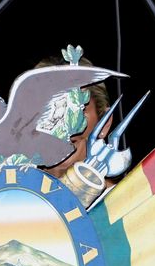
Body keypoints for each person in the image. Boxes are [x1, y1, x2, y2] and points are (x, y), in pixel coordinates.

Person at [35, 56, 114, 184]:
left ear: (104, 123)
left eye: (78, 108)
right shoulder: (2, 198)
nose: (63, 123)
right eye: (47, 109)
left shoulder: (136, 201)